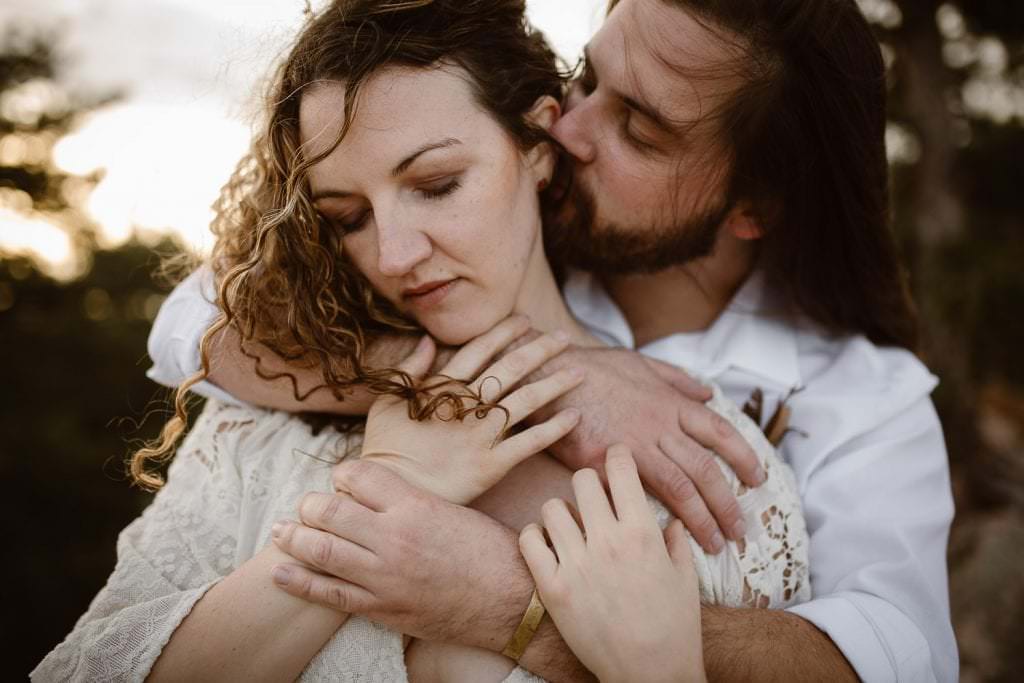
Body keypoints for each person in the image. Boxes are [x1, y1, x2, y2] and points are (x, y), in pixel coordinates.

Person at [155, 0, 958, 679]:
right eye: (589, 78)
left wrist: (507, 599)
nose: (571, 126)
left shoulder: (864, 399)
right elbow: (192, 323)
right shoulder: (473, 263)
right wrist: (534, 379)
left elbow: (891, 657)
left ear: (754, 203)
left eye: (638, 128)